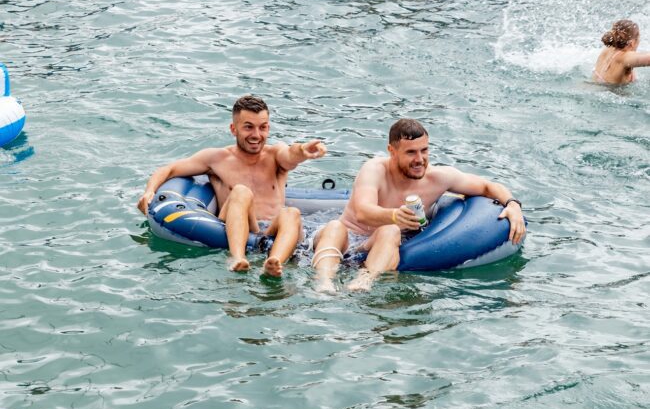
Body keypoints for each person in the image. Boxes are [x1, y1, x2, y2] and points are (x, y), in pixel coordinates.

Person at [311, 119, 526, 293]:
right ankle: (324, 283)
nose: (420, 159)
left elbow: (487, 186)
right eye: (411, 152)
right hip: (348, 240)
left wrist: (513, 204)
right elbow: (363, 212)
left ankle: (363, 281)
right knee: (335, 226)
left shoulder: (438, 178)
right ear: (392, 151)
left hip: (379, 247)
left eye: (424, 150)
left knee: (390, 231)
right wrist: (395, 215)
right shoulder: (374, 169)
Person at [137, 95, 327, 277]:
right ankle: (237, 259)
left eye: (263, 127)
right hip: (245, 224)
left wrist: (302, 150)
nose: (256, 135)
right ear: (233, 129)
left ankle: (274, 262)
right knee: (241, 191)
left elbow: (291, 154)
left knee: (291, 212)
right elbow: (169, 169)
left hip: (272, 229)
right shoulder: (217, 159)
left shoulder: (275, 155)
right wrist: (149, 192)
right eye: (248, 127)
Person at [592, 20, 650, 85]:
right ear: (632, 43)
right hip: (613, 92)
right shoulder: (624, 58)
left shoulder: (608, 49)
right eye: (638, 39)